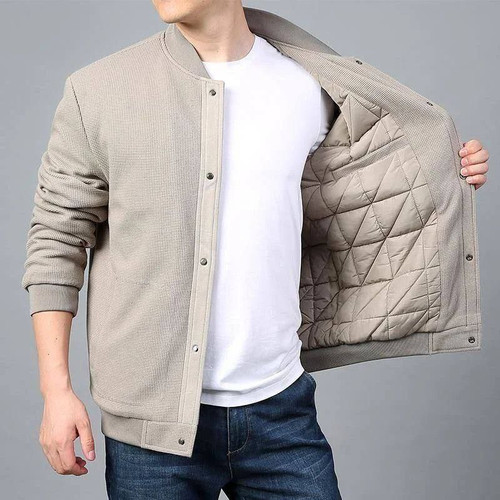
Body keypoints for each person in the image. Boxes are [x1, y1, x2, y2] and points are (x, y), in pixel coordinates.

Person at [23, 1, 489, 498]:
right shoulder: (100, 91)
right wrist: (56, 390)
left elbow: (363, 190)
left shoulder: (307, 86)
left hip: (282, 408)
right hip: (150, 428)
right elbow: (56, 238)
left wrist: (448, 172)